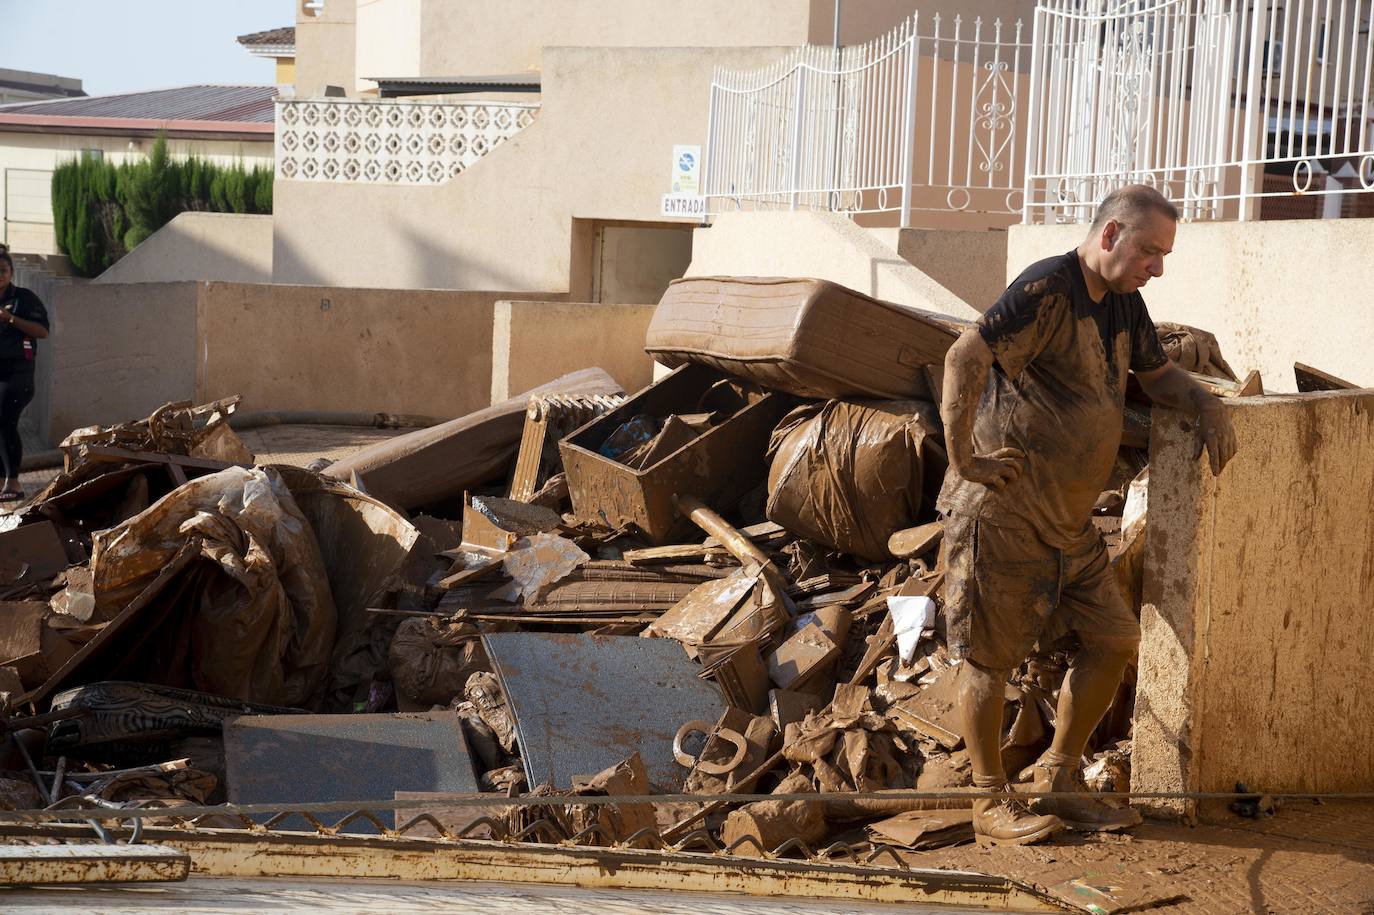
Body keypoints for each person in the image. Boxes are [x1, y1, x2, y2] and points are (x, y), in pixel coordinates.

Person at [936, 184, 1237, 845]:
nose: (1158, 265)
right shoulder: (1048, 287)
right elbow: (966, 352)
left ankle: (1060, 779)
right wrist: (965, 457)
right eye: (1150, 250)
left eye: (1163, 254)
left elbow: (1157, 379)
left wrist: (1209, 401)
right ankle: (990, 802)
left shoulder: (1125, 304)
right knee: (989, 660)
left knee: (1114, 638)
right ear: (1110, 236)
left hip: (1069, 525)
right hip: (1006, 513)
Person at [0, 246, 50, 502]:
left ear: (11, 273)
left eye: (4, 271)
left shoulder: (24, 298)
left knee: (5, 421)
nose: (0, 275)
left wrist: (11, 319)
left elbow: (43, 331)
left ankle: (14, 481)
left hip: (18, 373)